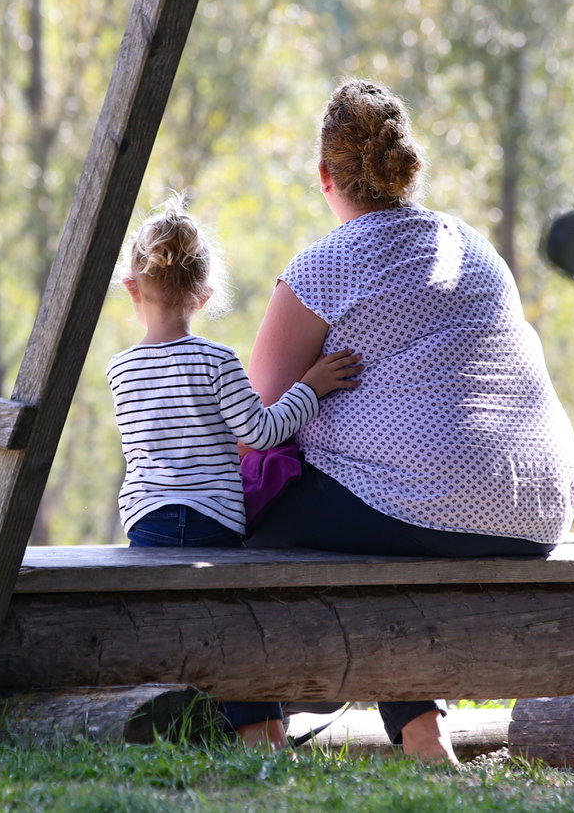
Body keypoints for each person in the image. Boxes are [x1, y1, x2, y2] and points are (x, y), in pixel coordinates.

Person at [243, 80, 574, 764]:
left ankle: (256, 728)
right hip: (535, 512)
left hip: (423, 505)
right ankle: (424, 734)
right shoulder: (472, 245)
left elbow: (255, 421)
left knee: (228, 514)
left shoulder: (325, 265)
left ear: (324, 175)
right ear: (405, 168)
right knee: (388, 523)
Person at [107, 196, 361, 749]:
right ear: (205, 295)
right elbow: (262, 433)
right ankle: (260, 733)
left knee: (175, 624)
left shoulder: (120, 370)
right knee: (234, 623)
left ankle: (181, 730)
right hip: (213, 522)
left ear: (132, 288)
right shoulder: (217, 360)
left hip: (146, 523)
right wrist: (312, 387)